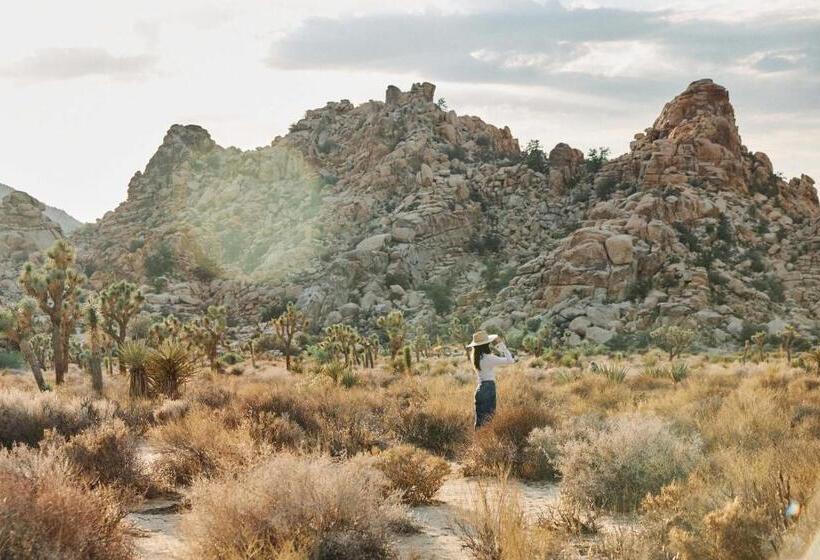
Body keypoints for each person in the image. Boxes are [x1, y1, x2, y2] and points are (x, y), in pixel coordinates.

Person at [466, 330, 514, 429]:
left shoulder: (475, 357)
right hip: (488, 388)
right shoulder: (488, 358)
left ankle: (477, 443)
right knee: (489, 420)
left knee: (479, 422)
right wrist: (503, 347)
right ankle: (484, 442)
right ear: (486, 345)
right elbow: (510, 361)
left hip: (479, 389)